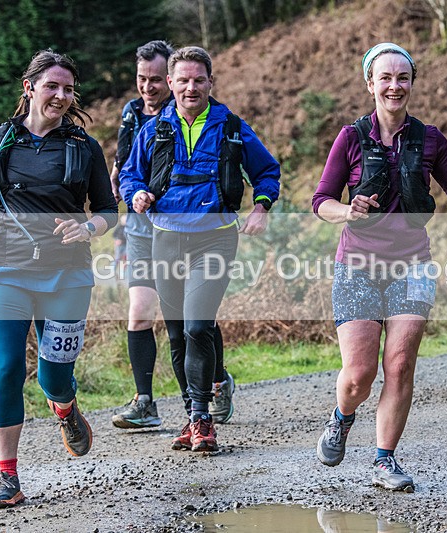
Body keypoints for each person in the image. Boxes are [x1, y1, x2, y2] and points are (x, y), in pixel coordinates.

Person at [311, 43, 447, 492]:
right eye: (384, 78)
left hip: (414, 264)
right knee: (360, 375)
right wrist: (347, 211)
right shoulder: (350, 137)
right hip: (358, 264)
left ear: (411, 83)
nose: (394, 86)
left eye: (402, 78)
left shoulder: (430, 139)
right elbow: (320, 201)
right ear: (370, 84)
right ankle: (342, 416)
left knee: (400, 364)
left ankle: (384, 460)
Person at [0, 50, 118, 509]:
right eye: (52, 86)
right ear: (29, 87)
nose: (62, 96)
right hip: (4, 269)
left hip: (67, 275)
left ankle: (64, 408)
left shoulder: (83, 147)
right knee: (6, 370)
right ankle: (7, 477)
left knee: (55, 376)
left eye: (68, 89)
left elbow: (109, 211)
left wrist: (88, 228)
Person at [119, 46, 280, 452]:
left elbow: (266, 171)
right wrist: (136, 194)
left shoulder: (230, 125)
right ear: (170, 83)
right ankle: (193, 418)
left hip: (215, 236)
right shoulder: (153, 128)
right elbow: (129, 175)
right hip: (165, 237)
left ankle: (204, 418)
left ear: (211, 82)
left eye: (199, 80)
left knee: (196, 326)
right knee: (176, 334)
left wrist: (261, 209)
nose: (192, 87)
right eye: (184, 80)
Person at [109, 41, 235, 430]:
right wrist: (122, 228)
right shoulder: (133, 118)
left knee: (197, 321)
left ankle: (214, 383)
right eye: (141, 80)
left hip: (196, 230)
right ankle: (149, 401)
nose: (148, 87)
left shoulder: (210, 120)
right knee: (145, 314)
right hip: (144, 230)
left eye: (154, 80)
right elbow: (125, 175)